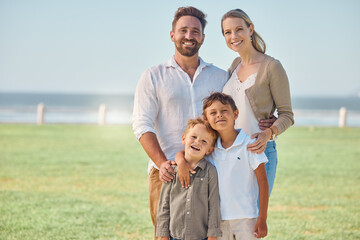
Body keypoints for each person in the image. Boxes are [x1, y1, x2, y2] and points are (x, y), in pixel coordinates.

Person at [132, 6, 228, 239]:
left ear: (203, 38)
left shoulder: (220, 76)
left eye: (195, 31)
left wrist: (270, 118)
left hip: (210, 172)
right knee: (165, 234)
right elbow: (142, 123)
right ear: (172, 34)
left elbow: (235, 115)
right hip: (165, 173)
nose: (189, 35)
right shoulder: (153, 76)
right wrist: (162, 162)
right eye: (183, 30)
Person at [221, 9, 294, 195]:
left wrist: (269, 132)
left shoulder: (272, 67)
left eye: (239, 29)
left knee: (256, 217)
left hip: (259, 152)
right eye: (227, 32)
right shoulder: (234, 66)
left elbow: (287, 115)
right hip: (231, 153)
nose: (234, 36)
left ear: (250, 29)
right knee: (234, 218)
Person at [203, 92, 269, 239]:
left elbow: (263, 182)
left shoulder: (250, 144)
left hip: (247, 218)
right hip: (218, 220)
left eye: (224, 110)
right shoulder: (210, 150)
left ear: (235, 114)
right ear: (206, 119)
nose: (219, 115)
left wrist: (262, 218)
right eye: (213, 113)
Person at [156, 118, 221, 240]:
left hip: (201, 236)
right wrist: (163, 235)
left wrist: (213, 235)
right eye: (194, 137)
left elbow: (214, 206)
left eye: (204, 141)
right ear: (183, 138)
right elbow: (164, 206)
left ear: (210, 149)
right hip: (174, 236)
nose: (197, 142)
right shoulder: (171, 170)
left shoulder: (210, 172)